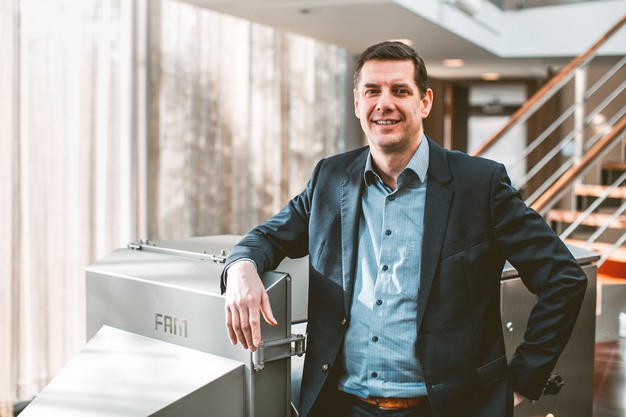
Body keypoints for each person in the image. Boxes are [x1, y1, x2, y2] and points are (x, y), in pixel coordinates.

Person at [222, 41, 587, 417]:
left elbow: (563, 278)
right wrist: (241, 267)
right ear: (357, 103)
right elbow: (266, 236)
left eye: (400, 90)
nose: (384, 104)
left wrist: (522, 381)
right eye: (372, 91)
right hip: (343, 405)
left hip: (448, 409)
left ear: (424, 102)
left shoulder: (480, 184)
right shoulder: (330, 177)